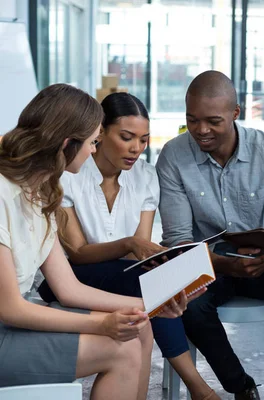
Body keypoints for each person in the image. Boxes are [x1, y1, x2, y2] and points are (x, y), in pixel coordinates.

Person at [155, 70, 264, 400]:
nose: (201, 130)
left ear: (236, 113)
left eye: (212, 121)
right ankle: (240, 385)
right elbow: (178, 241)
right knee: (189, 304)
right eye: (192, 120)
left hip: (263, 261)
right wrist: (223, 264)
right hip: (207, 265)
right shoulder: (174, 156)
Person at [35, 92, 218, 400]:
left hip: (125, 276)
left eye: (144, 140)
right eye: (127, 137)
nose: (136, 148)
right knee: (147, 286)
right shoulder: (68, 173)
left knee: (158, 280)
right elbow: (78, 254)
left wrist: (160, 257)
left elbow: (139, 252)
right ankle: (197, 385)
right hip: (70, 277)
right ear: (100, 132)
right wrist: (131, 244)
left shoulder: (146, 176)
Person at [0, 83, 156, 399]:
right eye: (91, 142)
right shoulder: (3, 193)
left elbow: (69, 289)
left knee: (138, 325)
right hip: (7, 328)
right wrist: (103, 326)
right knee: (121, 349)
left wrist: (149, 306)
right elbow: (11, 309)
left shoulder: (40, 191)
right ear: (68, 144)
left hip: (16, 321)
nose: (94, 150)